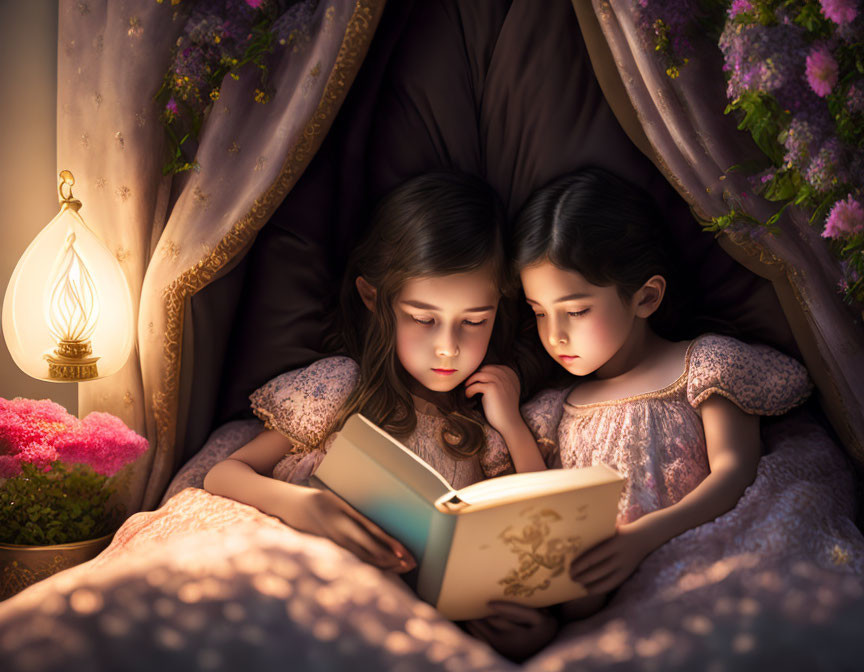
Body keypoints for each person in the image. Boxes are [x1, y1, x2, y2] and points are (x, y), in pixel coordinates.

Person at [204, 172, 553, 659]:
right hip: (312, 583)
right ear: (374, 298)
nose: (448, 347)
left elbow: (538, 523)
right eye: (423, 319)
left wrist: (512, 423)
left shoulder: (482, 432)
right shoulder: (340, 389)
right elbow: (223, 474)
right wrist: (300, 505)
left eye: (475, 321)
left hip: (410, 619)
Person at [512, 167, 813, 619]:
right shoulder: (557, 410)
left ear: (646, 298)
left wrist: (643, 538)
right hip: (599, 608)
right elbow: (540, 506)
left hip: (698, 568)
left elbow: (734, 472)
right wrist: (507, 420)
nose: (553, 335)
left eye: (575, 311)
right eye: (538, 312)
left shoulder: (703, 367)